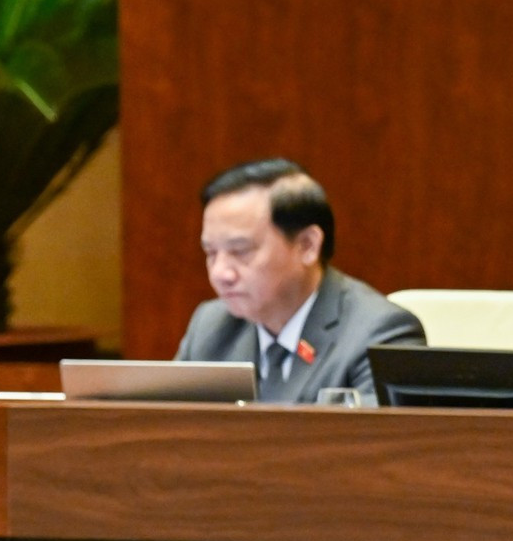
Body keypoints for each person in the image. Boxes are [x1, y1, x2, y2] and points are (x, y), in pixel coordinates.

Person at [178, 159, 424, 402]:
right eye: (211, 253)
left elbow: (379, 440)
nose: (220, 273)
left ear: (307, 245)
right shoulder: (211, 327)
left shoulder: (379, 335)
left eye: (241, 251)